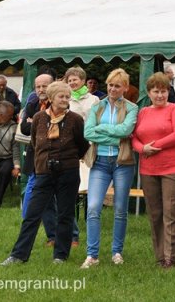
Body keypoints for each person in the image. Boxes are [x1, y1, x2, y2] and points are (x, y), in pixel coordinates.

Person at [1, 82, 89, 265]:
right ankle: (18, 255)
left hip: (68, 173)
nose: (65, 100)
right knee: (32, 214)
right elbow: (34, 143)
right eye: (61, 96)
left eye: (67, 96)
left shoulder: (75, 119)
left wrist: (66, 159)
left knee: (65, 214)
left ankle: (60, 256)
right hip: (43, 173)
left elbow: (83, 147)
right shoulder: (39, 118)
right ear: (51, 98)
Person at [81, 69, 138, 269]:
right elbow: (88, 132)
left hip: (122, 163)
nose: (113, 89)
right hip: (100, 162)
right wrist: (114, 136)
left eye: (117, 85)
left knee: (120, 209)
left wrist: (101, 129)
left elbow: (126, 130)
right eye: (110, 85)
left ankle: (117, 252)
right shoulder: (98, 106)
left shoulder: (132, 108)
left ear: (125, 87)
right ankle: (92, 255)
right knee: (94, 207)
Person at [132, 72, 175, 268]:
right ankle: (159, 256)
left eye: (163, 91)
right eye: (156, 91)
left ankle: (170, 258)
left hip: (174, 167)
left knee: (170, 213)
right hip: (148, 168)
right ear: (149, 93)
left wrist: (154, 145)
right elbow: (134, 137)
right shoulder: (143, 112)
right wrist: (142, 149)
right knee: (155, 213)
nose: (160, 95)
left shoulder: (174, 109)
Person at [64, 66, 99, 247]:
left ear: (83, 81)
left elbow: (94, 119)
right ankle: (74, 223)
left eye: (75, 80)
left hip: (87, 142)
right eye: (69, 80)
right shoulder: (65, 99)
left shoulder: (93, 99)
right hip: (70, 145)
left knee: (87, 183)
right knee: (73, 185)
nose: (72, 83)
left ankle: (89, 216)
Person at [20, 74, 57, 245]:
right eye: (38, 86)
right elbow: (25, 128)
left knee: (59, 198)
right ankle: (52, 236)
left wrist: (32, 121)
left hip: (54, 157)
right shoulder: (33, 103)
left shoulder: (58, 103)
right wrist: (34, 123)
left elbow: (52, 129)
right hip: (35, 156)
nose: (41, 90)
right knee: (45, 198)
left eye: (44, 86)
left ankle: (70, 235)